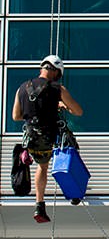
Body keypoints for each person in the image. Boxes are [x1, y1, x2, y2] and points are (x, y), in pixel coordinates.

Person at [12, 55, 84, 223]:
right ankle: (73, 193)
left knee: (42, 167)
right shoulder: (58, 89)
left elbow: (16, 116)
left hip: (31, 139)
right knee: (71, 152)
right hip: (50, 137)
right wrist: (62, 105)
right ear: (55, 72)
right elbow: (78, 111)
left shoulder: (22, 88)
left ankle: (40, 204)